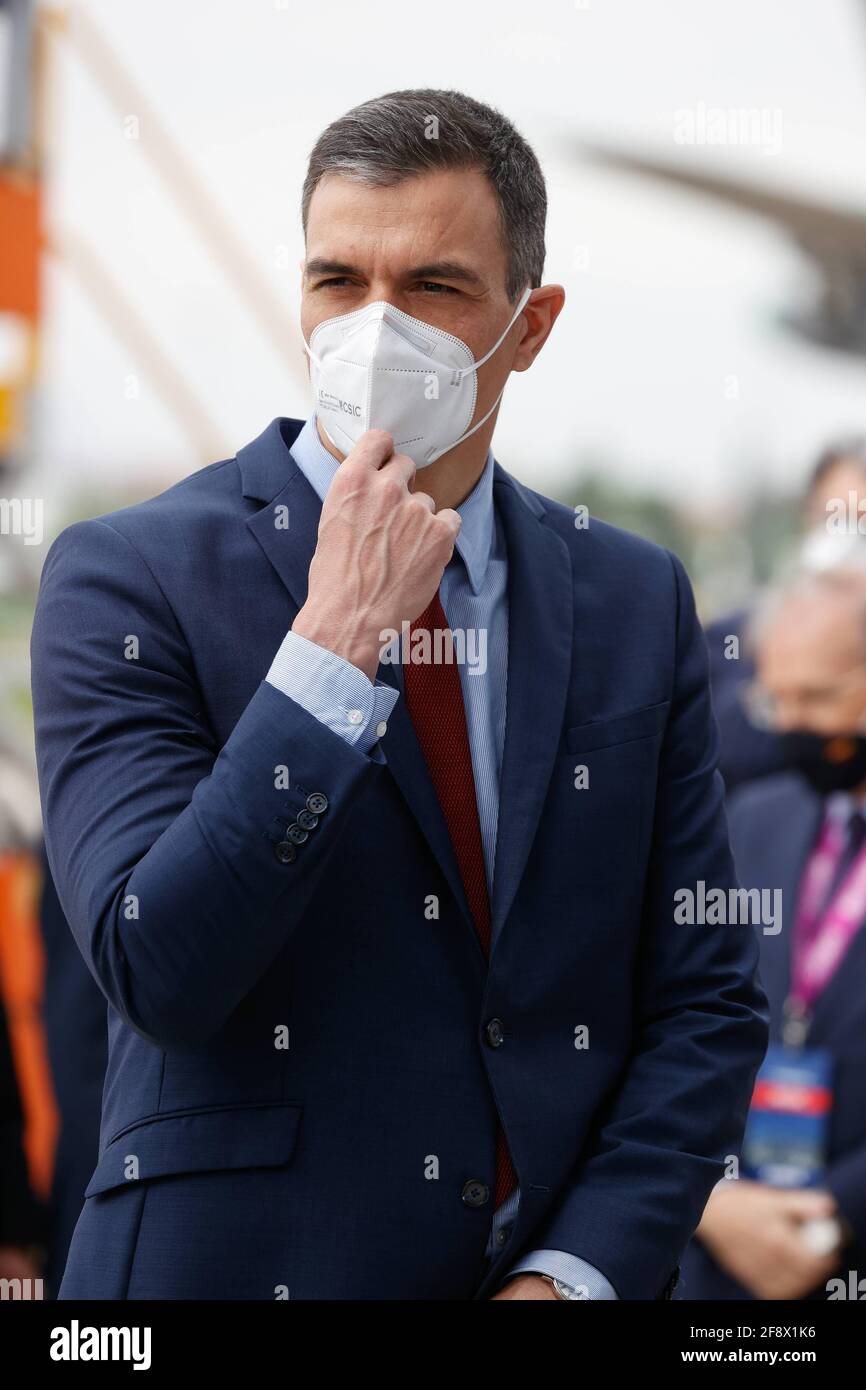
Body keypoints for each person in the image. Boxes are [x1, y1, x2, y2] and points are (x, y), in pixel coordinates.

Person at [31, 88, 768, 1301]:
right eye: (335, 283)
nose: (375, 332)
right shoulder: (131, 574)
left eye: (431, 287)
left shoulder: (631, 596)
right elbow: (157, 966)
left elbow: (700, 994)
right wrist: (332, 643)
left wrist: (573, 1274)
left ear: (527, 328)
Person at [680, 565, 866, 1299]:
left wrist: (834, 1221)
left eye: (817, 697)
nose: (792, 724)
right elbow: (675, 1018)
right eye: (774, 700)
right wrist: (713, 1204)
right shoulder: (754, 819)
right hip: (726, 1262)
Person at [707, 438, 866, 794]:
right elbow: (718, 747)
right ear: (809, 515)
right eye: (836, 517)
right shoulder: (736, 637)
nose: (850, 538)